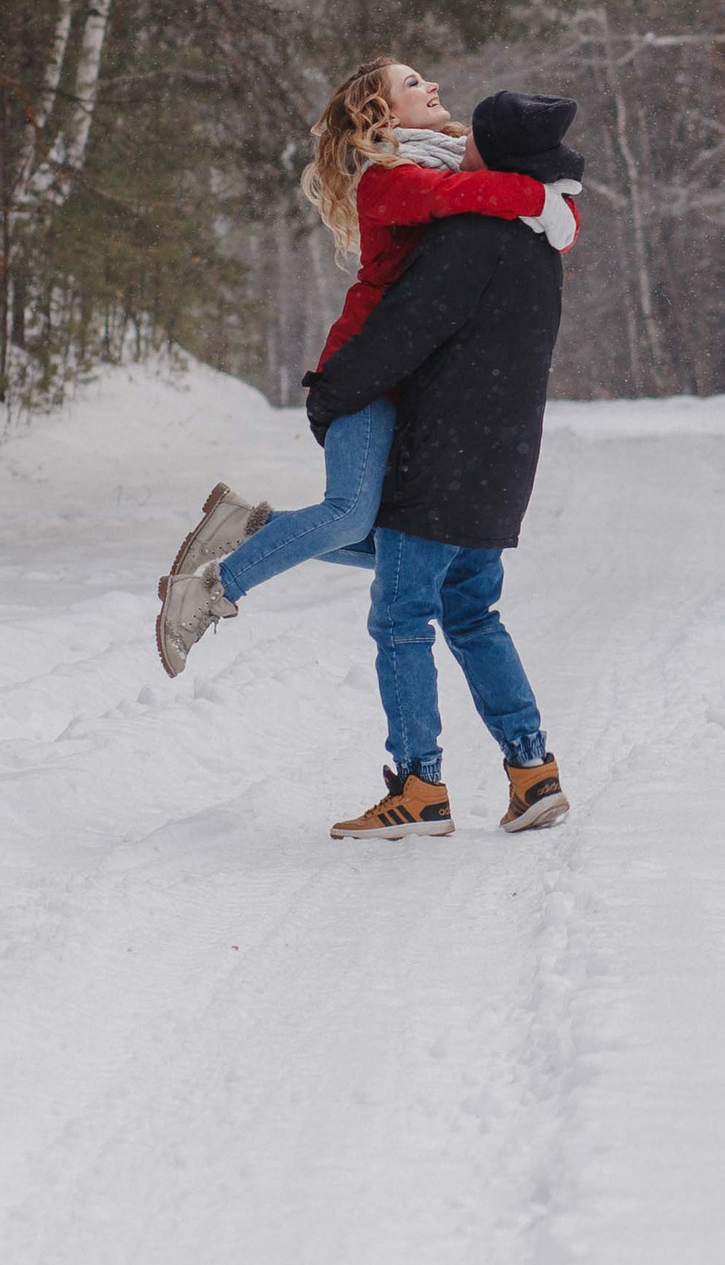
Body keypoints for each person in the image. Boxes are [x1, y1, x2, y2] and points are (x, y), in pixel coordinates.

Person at [154, 57, 578, 676]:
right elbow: (472, 195)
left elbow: (516, 186)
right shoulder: (391, 179)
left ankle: (251, 526)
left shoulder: (447, 154)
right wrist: (542, 199)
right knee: (351, 514)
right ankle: (213, 588)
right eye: (412, 84)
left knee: (401, 547)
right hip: (363, 371)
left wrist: (554, 202)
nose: (431, 86)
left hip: (407, 382)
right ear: (379, 115)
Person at [303, 89, 584, 841]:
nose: (461, 141)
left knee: (401, 618)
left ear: (493, 153)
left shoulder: (468, 237)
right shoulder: (535, 243)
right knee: (472, 612)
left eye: (474, 139)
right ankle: (532, 773)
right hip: (502, 462)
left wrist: (330, 397)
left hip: (440, 460)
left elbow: (402, 333)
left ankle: (418, 784)